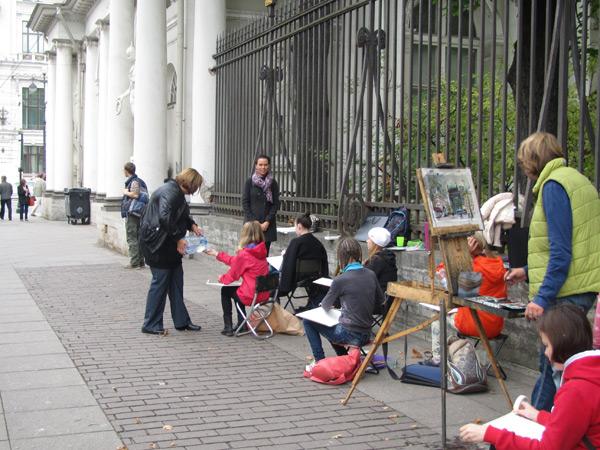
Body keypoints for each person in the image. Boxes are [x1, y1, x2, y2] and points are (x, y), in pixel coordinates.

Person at [505, 132, 600, 411]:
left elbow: (561, 251)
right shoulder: (577, 180)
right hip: (579, 287)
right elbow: (575, 246)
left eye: (524, 161)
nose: (523, 168)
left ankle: (537, 427)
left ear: (534, 160)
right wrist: (527, 271)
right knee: (563, 368)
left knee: (551, 367)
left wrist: (542, 298)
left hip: (565, 293)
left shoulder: (554, 186)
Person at [459, 304, 600, 449]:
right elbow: (572, 422)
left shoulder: (575, 390)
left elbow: (547, 448)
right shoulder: (591, 374)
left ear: (562, 344)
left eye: (547, 346)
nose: (546, 352)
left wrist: (489, 434)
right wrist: (538, 415)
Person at [139, 168, 204, 335]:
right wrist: (179, 238)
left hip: (166, 244)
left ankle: (182, 321)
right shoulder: (171, 192)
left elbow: (180, 215)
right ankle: (151, 323)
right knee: (160, 283)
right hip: (158, 245)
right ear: (191, 184)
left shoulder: (175, 192)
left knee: (176, 283)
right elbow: (165, 217)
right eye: (197, 185)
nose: (197, 189)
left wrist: (192, 225)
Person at [429, 232, 506, 365]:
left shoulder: (472, 266)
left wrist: (464, 255)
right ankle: (454, 348)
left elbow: (450, 283)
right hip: (495, 324)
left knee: (436, 317)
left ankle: (438, 360)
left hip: (475, 324)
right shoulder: (498, 263)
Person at [303, 238, 385, 363]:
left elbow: (325, 305)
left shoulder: (341, 279)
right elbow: (380, 300)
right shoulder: (371, 274)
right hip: (367, 333)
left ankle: (319, 360)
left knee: (308, 321)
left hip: (350, 335)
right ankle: (343, 357)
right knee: (335, 324)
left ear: (341, 257)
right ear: (359, 253)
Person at [205, 221, 269, 336]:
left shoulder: (244, 254)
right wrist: (217, 254)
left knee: (226, 291)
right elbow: (235, 262)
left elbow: (233, 275)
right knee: (237, 291)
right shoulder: (261, 250)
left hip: (251, 295)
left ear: (245, 234)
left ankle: (228, 327)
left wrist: (222, 278)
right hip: (263, 293)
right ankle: (242, 324)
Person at [278, 212, 329, 310]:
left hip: (298, 278)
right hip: (315, 277)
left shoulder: (296, 243)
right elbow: (324, 263)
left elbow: (288, 265)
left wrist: (284, 287)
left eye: (295, 226)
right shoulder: (318, 243)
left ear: (300, 226)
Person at [242, 154, 280, 255]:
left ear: (269, 166)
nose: (263, 167)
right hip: (251, 225)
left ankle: (263, 272)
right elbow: (245, 203)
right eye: (260, 164)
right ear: (256, 165)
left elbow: (275, 204)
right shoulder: (249, 182)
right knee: (250, 254)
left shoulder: (273, 183)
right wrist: (255, 222)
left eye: (266, 165)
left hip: (267, 226)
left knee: (264, 255)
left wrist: (267, 221)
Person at [121, 162, 147, 269]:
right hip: (140, 212)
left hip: (133, 213)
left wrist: (125, 192)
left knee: (132, 237)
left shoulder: (134, 181)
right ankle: (141, 261)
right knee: (139, 237)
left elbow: (135, 194)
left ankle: (134, 262)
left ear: (126, 171)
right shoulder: (141, 181)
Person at [363, 226, 398, 303]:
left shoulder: (377, 260)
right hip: (383, 299)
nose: (367, 241)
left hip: (377, 302)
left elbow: (363, 279)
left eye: (369, 239)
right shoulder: (385, 257)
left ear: (375, 243)